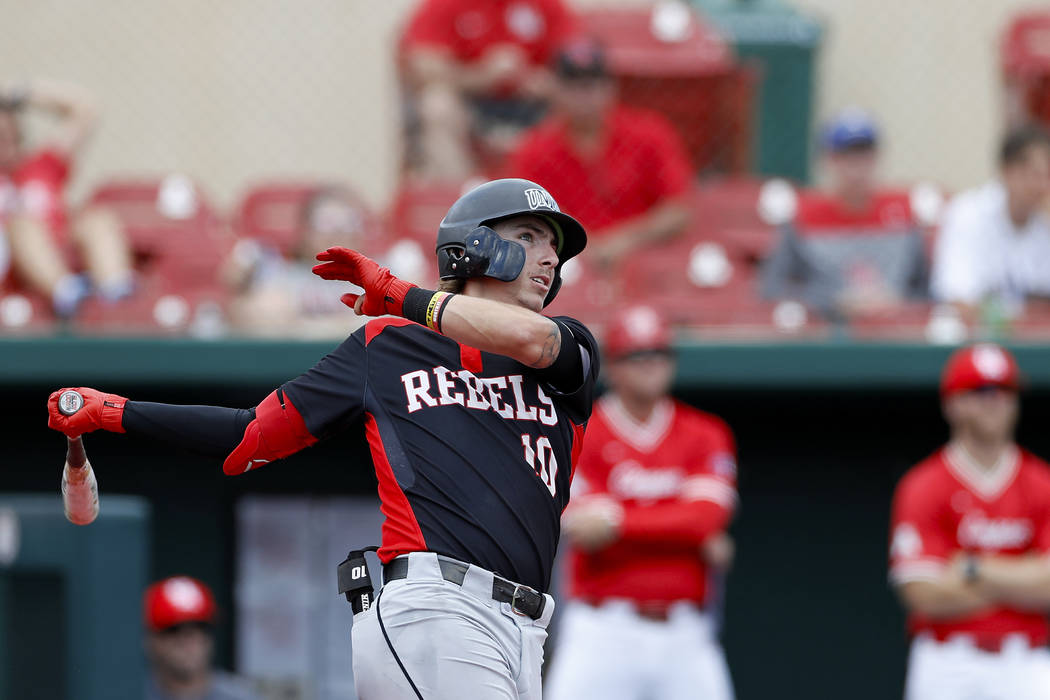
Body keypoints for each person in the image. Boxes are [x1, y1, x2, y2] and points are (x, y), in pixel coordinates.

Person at [47, 178, 598, 700]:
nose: (550, 257)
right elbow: (250, 435)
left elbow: (536, 342)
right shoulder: (387, 346)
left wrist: (401, 293)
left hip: (523, 628)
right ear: (472, 249)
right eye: (528, 238)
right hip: (437, 607)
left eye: (554, 246)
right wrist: (119, 414)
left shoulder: (569, 348)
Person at [545, 305, 737, 700]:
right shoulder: (581, 431)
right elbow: (584, 529)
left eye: (659, 354)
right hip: (603, 628)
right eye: (637, 356)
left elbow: (703, 520)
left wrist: (618, 523)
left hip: (686, 630)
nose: (651, 365)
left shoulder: (705, 433)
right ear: (612, 366)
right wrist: (678, 524)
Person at [889, 343, 1050, 699]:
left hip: (1025, 662)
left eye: (1005, 391)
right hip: (948, 660)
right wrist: (1023, 576)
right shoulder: (923, 484)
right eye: (980, 391)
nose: (995, 402)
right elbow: (923, 593)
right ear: (952, 403)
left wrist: (972, 568)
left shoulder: (1042, 482)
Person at [506, 37, 692, 270]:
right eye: (573, 86)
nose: (584, 96)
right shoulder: (534, 148)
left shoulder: (650, 133)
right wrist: (586, 246)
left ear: (610, 87)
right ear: (556, 89)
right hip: (565, 264)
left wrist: (624, 240)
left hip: (642, 257)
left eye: (591, 84)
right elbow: (528, 216)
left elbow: (678, 211)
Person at [760, 107, 928, 323]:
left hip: (893, 332)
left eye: (863, 154)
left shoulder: (903, 214)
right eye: (846, 155)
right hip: (827, 336)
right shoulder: (803, 217)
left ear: (876, 157)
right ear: (828, 160)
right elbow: (772, 289)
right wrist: (832, 302)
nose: (856, 166)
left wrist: (899, 302)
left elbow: (925, 289)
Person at [399, 0, 578, 182]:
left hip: (533, 109)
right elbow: (423, 65)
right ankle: (461, 199)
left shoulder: (547, 5)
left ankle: (554, 193)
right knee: (437, 104)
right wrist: (482, 75)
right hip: (471, 107)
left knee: (578, 102)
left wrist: (542, 80)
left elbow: (577, 61)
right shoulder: (444, 4)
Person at [0, 79, 134, 317]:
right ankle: (67, 295)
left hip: (61, 248)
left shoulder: (41, 166)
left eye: (8, 134)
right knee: (23, 226)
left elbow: (84, 108)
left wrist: (19, 93)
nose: (4, 143)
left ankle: (117, 298)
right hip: (18, 267)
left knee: (97, 220)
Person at [224, 185, 424, 338]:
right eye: (326, 223)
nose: (338, 232)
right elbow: (244, 315)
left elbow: (418, 318)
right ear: (305, 231)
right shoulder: (278, 272)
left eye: (349, 223)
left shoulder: (385, 275)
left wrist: (308, 325)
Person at [931, 126, 1050, 324]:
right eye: (1035, 174)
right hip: (978, 343)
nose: (1042, 186)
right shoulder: (968, 214)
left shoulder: (1046, 218)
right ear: (1006, 171)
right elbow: (958, 301)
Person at [144, 576, 260, 700]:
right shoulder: (131, 693)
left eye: (199, 628)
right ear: (150, 640)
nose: (187, 641)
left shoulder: (240, 697)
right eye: (174, 630)